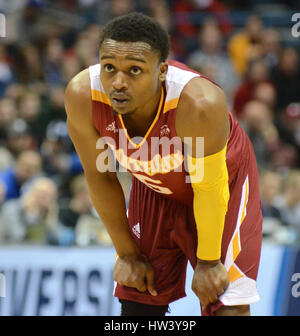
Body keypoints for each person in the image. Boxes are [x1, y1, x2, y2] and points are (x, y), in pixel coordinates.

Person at [65, 13, 262, 316]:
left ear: (161, 72)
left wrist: (208, 262)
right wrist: (127, 253)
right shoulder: (82, 96)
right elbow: (100, 176)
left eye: (134, 70)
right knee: (138, 298)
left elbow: (209, 189)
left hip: (222, 187)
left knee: (224, 302)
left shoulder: (199, 103)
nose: (118, 82)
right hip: (155, 185)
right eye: (109, 68)